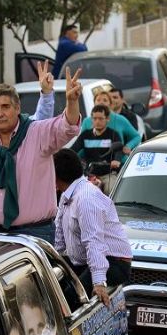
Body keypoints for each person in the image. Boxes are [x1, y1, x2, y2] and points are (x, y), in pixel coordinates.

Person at [0, 69, 83, 242]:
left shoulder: (36, 132)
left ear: (17, 108)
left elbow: (67, 127)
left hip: (35, 233)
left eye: (5, 107)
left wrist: (72, 102)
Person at [53, 148, 132, 306]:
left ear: (56, 177)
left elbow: (94, 241)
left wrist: (98, 283)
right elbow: (59, 240)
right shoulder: (66, 195)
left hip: (113, 263)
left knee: (70, 300)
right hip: (84, 261)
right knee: (52, 289)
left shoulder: (86, 198)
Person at [71, 104, 123, 194]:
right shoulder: (85, 135)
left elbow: (118, 150)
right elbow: (73, 150)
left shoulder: (114, 134)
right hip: (90, 174)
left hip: (108, 174)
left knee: (111, 191)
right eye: (95, 118)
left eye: (100, 118)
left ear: (107, 119)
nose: (97, 121)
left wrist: (116, 161)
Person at [80, 90, 141, 163]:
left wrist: (128, 146)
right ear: (94, 103)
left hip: (117, 163)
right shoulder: (87, 121)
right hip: (93, 165)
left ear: (110, 104)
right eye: (98, 100)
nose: (101, 102)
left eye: (105, 100)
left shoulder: (120, 119)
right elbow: (81, 145)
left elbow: (136, 136)